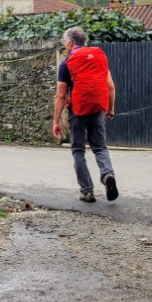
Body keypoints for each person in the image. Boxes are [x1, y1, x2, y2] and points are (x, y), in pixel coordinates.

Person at [51, 26, 118, 203]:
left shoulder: (66, 63)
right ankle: (107, 174)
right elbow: (110, 86)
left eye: (65, 43)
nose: (65, 46)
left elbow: (60, 95)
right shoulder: (98, 58)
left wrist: (56, 121)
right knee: (100, 147)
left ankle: (87, 191)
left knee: (78, 150)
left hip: (78, 111)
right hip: (97, 109)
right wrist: (110, 109)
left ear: (71, 43)